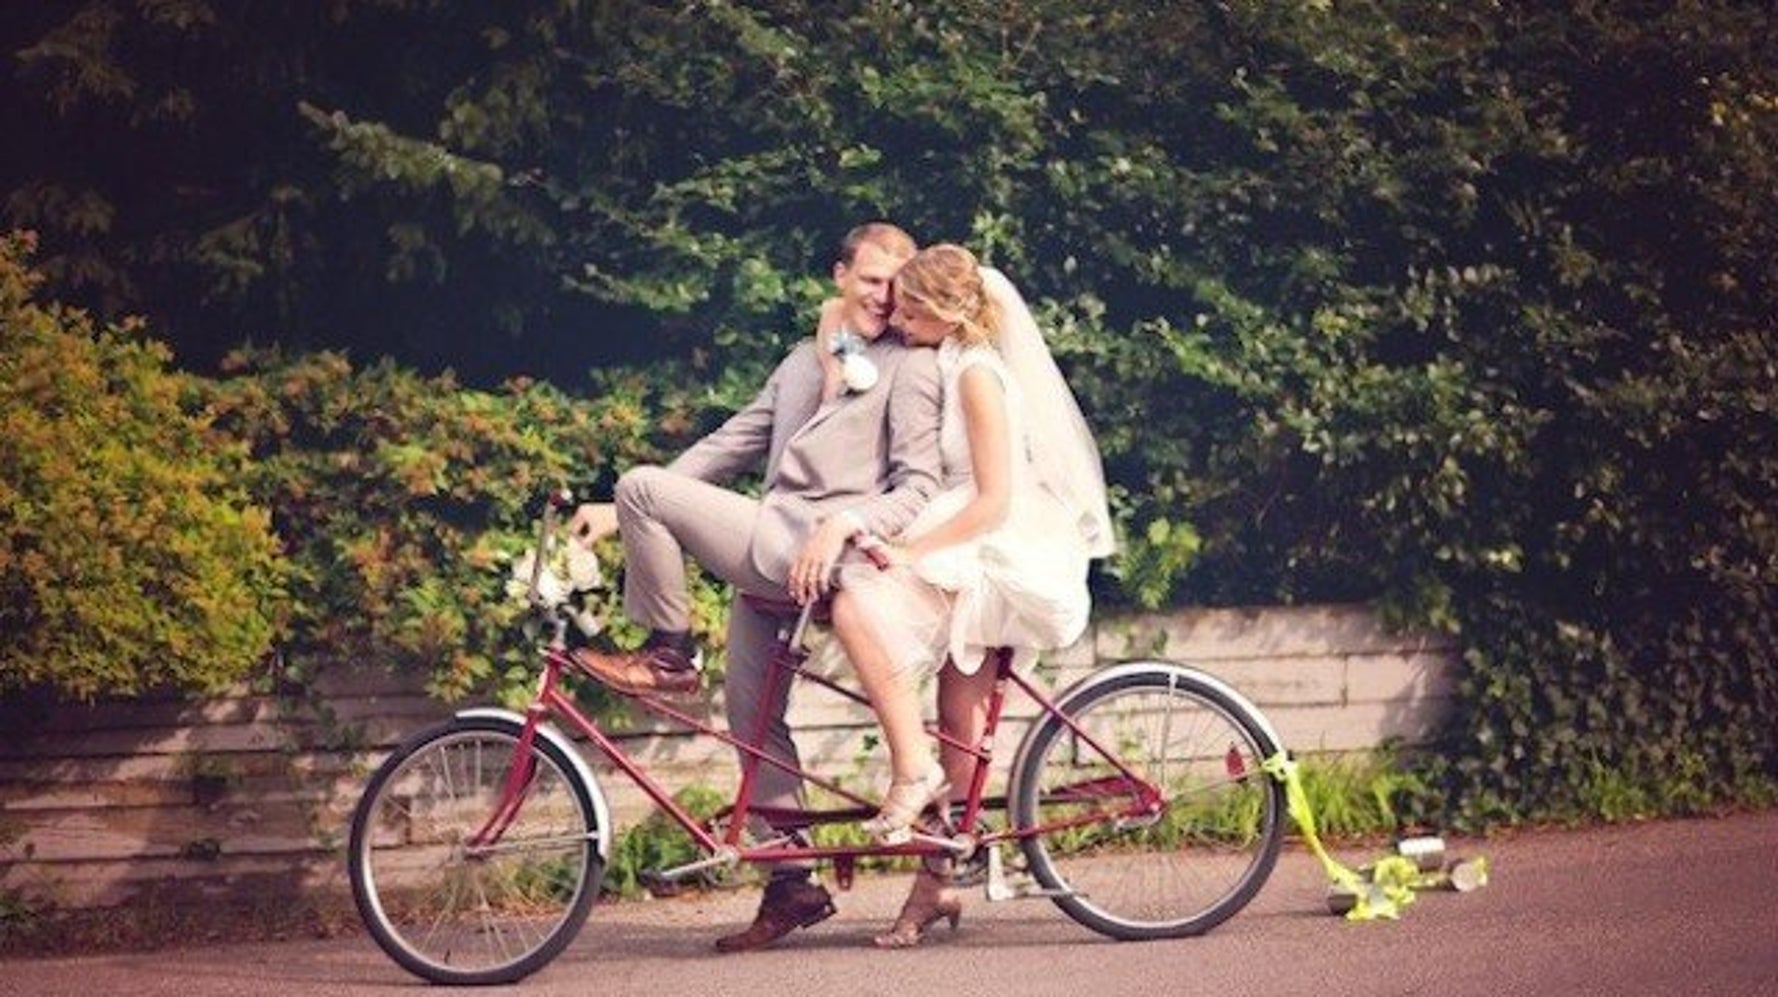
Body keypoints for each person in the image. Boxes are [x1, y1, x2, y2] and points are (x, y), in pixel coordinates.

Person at [567, 222, 944, 953]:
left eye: (895, 283)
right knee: (752, 723)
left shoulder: (911, 366)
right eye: (869, 279)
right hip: (771, 554)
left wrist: (845, 524)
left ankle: (669, 650)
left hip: (816, 550)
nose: (883, 294)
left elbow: (920, 484)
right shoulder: (806, 360)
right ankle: (793, 884)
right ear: (840, 274)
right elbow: (731, 444)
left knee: (642, 484)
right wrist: (623, 516)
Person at [819, 244, 1115, 948]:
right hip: (964, 534)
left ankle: (911, 774)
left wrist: (917, 552)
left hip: (996, 545)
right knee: (960, 717)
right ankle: (937, 884)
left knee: (859, 598)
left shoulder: (979, 375)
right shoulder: (948, 358)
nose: (899, 318)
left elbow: (992, 500)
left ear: (948, 313)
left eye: (913, 309)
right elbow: (844, 320)